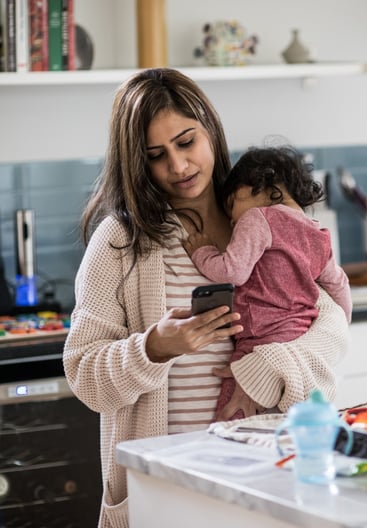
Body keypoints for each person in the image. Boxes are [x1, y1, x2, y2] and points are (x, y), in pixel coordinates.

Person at [62, 68, 349, 528]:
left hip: (270, 478)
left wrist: (271, 367)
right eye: (156, 155)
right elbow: (84, 376)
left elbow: (331, 328)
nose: (178, 166)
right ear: (137, 163)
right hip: (169, 494)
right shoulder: (121, 240)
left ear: (210, 130)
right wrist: (155, 347)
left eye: (186, 142)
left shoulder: (263, 215)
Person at [183, 145, 352, 421]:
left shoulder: (257, 218)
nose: (232, 218)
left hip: (259, 343)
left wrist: (202, 252)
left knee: (232, 419)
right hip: (299, 340)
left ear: (260, 186)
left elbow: (233, 272)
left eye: (231, 205)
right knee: (282, 427)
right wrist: (342, 322)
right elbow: (338, 286)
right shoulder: (318, 233)